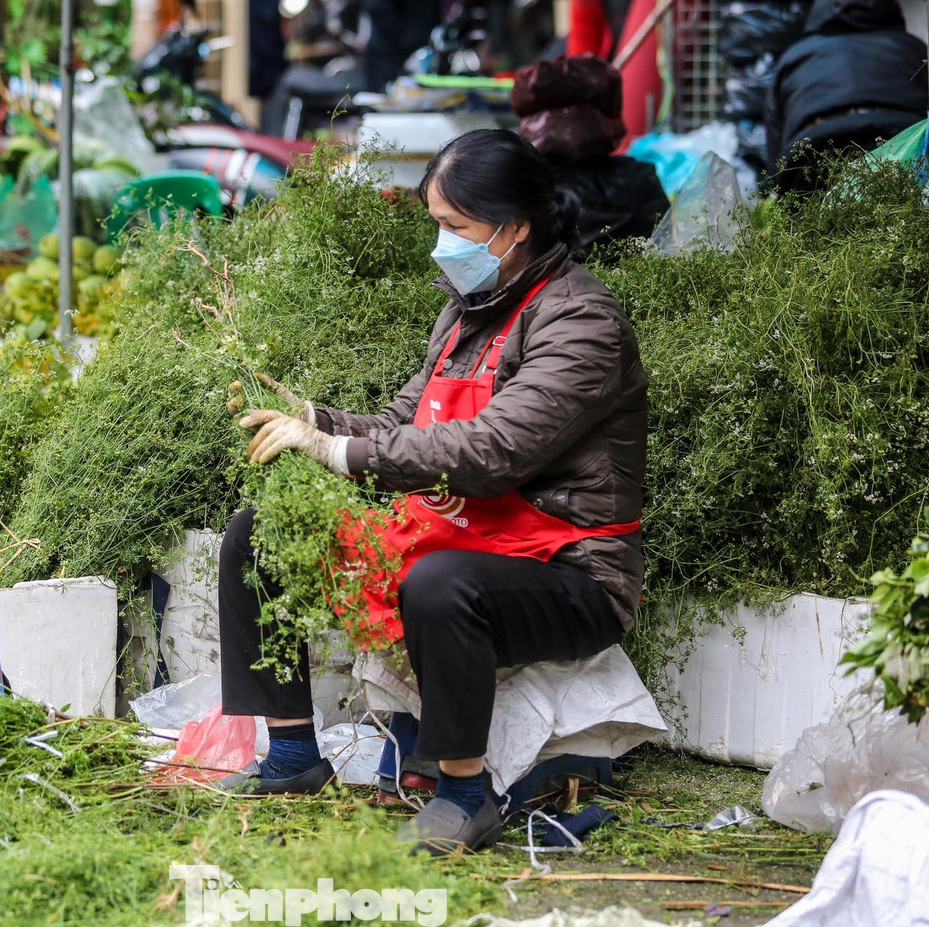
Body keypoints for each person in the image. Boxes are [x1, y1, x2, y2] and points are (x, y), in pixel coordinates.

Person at [216, 129, 647, 855]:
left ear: (514, 230)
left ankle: (462, 794)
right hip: (461, 534)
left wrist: (335, 450)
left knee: (440, 584)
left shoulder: (582, 321)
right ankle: (292, 753)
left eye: (455, 227)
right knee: (258, 534)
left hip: (570, 573)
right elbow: (398, 425)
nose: (441, 244)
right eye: (437, 224)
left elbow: (493, 452)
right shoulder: (464, 311)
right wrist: (310, 420)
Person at [764, 0, 928, 193]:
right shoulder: (912, 47)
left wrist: (773, 185)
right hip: (903, 146)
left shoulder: (793, 56)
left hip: (814, 154)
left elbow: (775, 136)